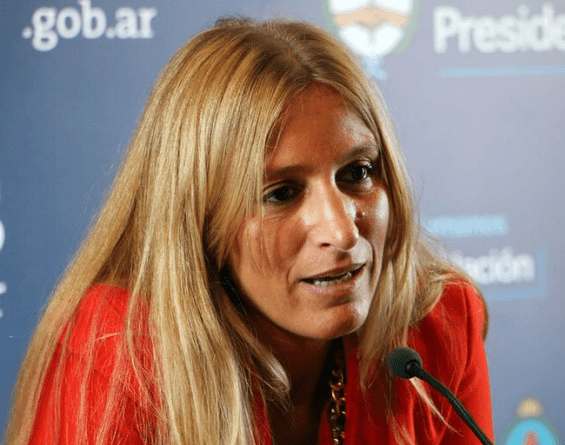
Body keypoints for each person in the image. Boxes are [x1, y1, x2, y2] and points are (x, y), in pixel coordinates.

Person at [5, 17, 493, 445]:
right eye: (281, 193)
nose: (343, 232)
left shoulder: (439, 321)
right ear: (200, 220)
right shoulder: (120, 351)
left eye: (357, 173)